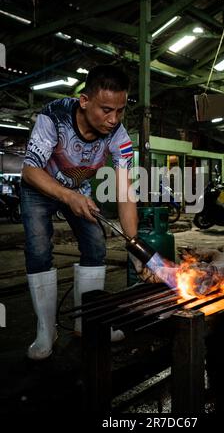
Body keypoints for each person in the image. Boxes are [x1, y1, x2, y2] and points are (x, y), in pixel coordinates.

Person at [21, 64, 138, 360]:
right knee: (38, 249)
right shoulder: (53, 116)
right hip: (39, 187)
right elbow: (29, 170)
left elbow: (125, 193)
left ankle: (88, 323)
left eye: (120, 111)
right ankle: (46, 331)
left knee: (96, 246)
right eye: (106, 110)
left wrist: (135, 247)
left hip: (78, 189)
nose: (114, 120)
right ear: (85, 102)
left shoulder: (120, 137)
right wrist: (66, 195)